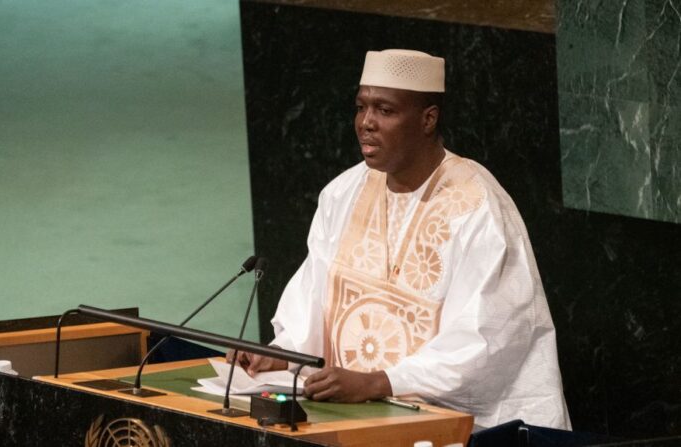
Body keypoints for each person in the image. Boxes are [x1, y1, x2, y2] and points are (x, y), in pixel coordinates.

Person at [234, 49, 571, 430]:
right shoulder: (344, 193)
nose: (366, 123)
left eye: (385, 110)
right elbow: (315, 299)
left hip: (458, 429)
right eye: (361, 107)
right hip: (344, 419)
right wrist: (279, 354)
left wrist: (379, 382)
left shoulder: (477, 207)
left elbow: (486, 339)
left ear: (428, 119)